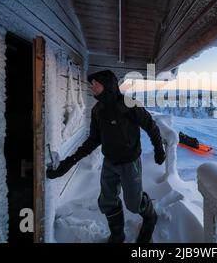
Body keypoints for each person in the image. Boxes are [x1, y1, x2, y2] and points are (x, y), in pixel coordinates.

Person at [47, 70, 166, 243]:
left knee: (134, 204)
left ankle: (151, 216)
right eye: (91, 84)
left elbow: (151, 126)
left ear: (107, 85)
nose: (92, 87)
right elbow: (93, 140)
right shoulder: (98, 110)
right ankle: (117, 236)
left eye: (95, 83)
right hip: (109, 162)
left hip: (130, 163)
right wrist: (68, 163)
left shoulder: (129, 104)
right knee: (107, 201)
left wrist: (158, 149)